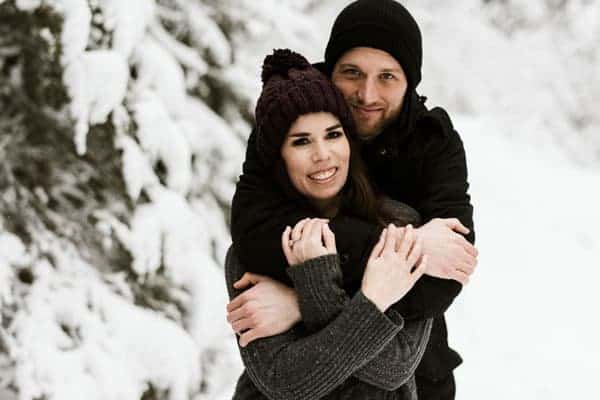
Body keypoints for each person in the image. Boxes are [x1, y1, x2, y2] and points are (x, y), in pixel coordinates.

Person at [229, 1, 478, 399]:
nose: (367, 94)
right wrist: (403, 249)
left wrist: (302, 301)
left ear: (409, 82)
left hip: (416, 373)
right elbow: (255, 233)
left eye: (387, 77)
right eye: (352, 73)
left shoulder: (433, 143)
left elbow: (444, 273)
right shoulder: (290, 114)